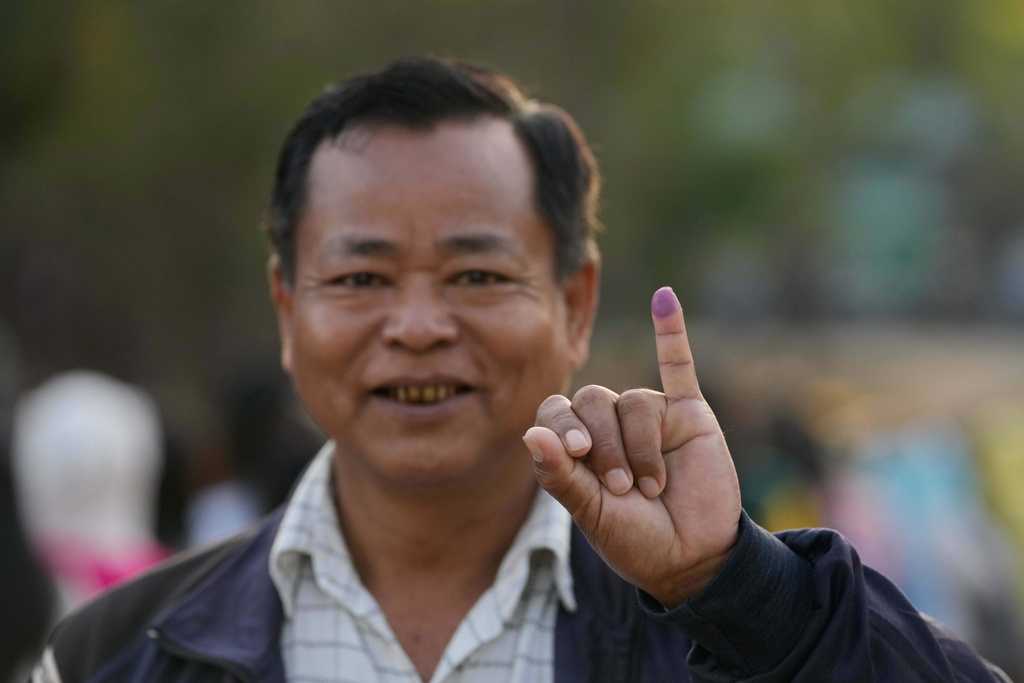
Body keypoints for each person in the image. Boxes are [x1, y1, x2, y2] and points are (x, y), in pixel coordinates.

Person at [32, 56, 1009, 683]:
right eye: (362, 274)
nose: (417, 325)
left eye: (477, 272)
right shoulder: (118, 650)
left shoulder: (714, 625)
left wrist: (735, 582)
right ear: (289, 309)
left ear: (574, 302)